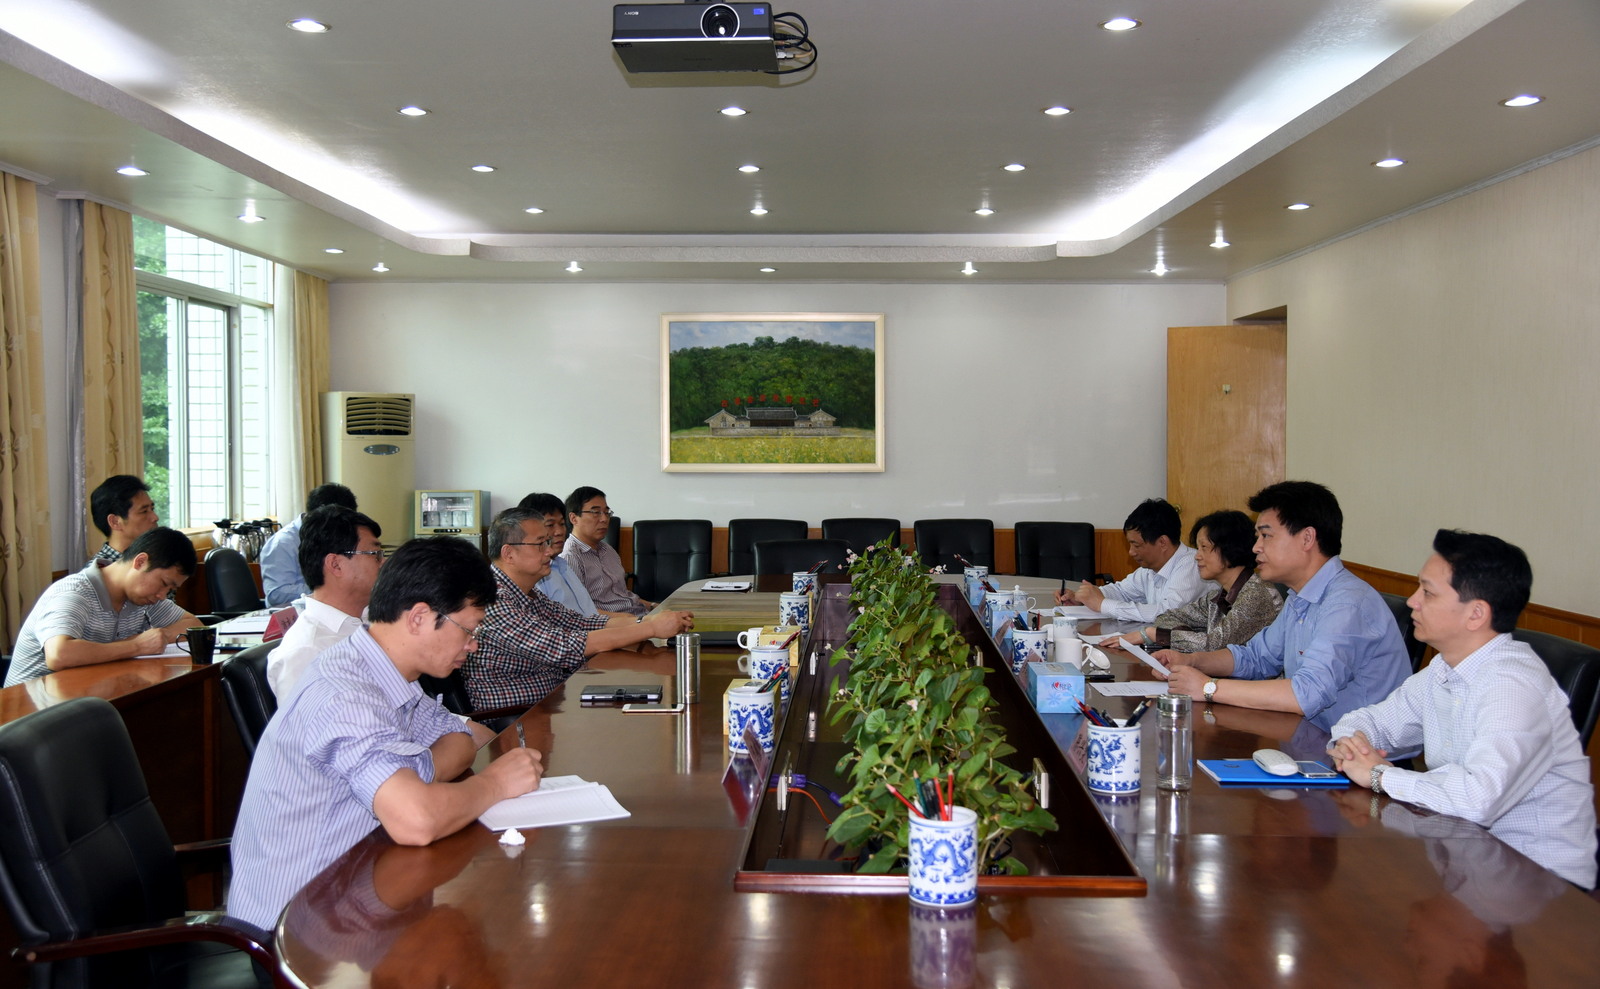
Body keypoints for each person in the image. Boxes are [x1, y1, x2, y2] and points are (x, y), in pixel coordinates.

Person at [226, 537, 544, 937]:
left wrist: (416, 774)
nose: (474, 644)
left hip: (356, 887)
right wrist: (495, 783)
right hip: (294, 929)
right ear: (419, 617)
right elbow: (416, 820)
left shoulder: (390, 672)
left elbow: (462, 737)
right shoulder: (346, 693)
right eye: (469, 629)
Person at [1328, 529, 1595, 888]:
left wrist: (1379, 775)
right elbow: (1368, 720)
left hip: (1540, 884)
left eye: (1427, 592)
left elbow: (1477, 799)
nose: (1412, 601)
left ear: (1476, 614)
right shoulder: (1445, 667)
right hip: (1467, 858)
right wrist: (1350, 745)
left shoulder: (1512, 686)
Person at [1161, 481, 1411, 730]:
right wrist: (1192, 661)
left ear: (1307, 538)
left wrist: (1208, 688)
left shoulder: (1347, 604)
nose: (1256, 547)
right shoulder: (1299, 597)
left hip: (1358, 749)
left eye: (1266, 536)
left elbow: (1307, 693)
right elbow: (1256, 658)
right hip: (1310, 736)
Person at [464, 508, 695, 710]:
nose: (549, 551)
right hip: (520, 717)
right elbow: (565, 647)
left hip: (555, 698)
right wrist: (651, 628)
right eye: (540, 544)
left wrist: (650, 621)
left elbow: (583, 623)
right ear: (508, 553)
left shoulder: (527, 592)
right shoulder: (493, 601)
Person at [6, 527, 202, 686]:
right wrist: (136, 646)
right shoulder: (74, 592)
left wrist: (161, 636)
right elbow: (58, 655)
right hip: (29, 711)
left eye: (170, 589)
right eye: (164, 583)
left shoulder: (142, 597)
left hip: (82, 698)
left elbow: (193, 624)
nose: (162, 595)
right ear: (140, 562)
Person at [1109, 509, 1282, 654]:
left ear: (1230, 548)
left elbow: (1215, 645)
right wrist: (1192, 637)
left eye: (1204, 548)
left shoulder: (1255, 594)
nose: (1197, 556)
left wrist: (1154, 634)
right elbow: (1167, 617)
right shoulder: (1217, 597)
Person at [267, 505, 385, 698]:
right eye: (376, 554)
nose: (384, 563)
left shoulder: (371, 621)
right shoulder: (305, 653)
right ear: (336, 565)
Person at [1055, 498, 1209, 622]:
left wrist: (1102, 604)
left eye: (1136, 545)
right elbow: (1122, 592)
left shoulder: (1192, 565)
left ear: (1162, 542)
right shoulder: (1149, 568)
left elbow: (1167, 614)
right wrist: (1084, 598)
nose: (1131, 552)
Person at [260, 483, 360, 607]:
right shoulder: (282, 543)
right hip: (293, 613)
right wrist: (328, 587)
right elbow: (277, 594)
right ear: (322, 514)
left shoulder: (327, 535)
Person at [561, 486, 652, 616]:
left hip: (640, 615)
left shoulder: (608, 550)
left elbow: (623, 595)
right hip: (618, 623)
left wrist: (653, 606)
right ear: (573, 518)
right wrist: (635, 621)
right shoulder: (570, 558)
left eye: (606, 512)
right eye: (596, 512)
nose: (604, 519)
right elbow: (579, 611)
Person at [517, 491, 603, 617]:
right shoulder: (534, 575)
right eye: (550, 525)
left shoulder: (562, 565)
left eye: (562, 524)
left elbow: (588, 615)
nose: (559, 532)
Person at [87, 474, 159, 564]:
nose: (155, 518)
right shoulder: (99, 569)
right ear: (115, 522)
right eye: (144, 511)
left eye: (152, 509)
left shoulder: (154, 560)